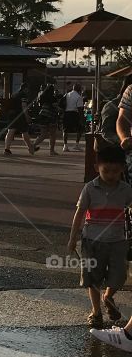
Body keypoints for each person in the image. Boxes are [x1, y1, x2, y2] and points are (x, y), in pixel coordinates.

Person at [69, 141, 132, 330]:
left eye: (115, 171)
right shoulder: (89, 188)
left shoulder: (126, 190)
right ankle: (96, 312)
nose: (111, 175)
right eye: (106, 171)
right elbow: (79, 213)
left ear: (122, 169)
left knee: (119, 276)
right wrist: (73, 239)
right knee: (92, 278)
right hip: (92, 241)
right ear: (97, 168)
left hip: (118, 241)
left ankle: (108, 296)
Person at [31, 80, 64, 156]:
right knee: (52, 134)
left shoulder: (42, 97)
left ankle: (33, 145)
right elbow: (56, 107)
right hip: (51, 116)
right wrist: (61, 109)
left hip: (42, 116)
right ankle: (51, 151)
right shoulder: (52, 98)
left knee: (43, 134)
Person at [1, 86, 35, 156]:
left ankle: (6, 149)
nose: (28, 91)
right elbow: (24, 106)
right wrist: (27, 116)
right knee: (25, 132)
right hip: (20, 115)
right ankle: (30, 148)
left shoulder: (15, 94)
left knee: (10, 131)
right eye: (27, 89)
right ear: (25, 89)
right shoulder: (23, 95)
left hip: (12, 115)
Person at [62, 83, 86, 152]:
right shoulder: (79, 97)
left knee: (65, 130)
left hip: (66, 113)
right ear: (79, 89)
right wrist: (82, 119)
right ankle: (77, 144)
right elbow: (80, 109)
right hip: (75, 114)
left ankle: (65, 146)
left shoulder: (67, 94)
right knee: (80, 129)